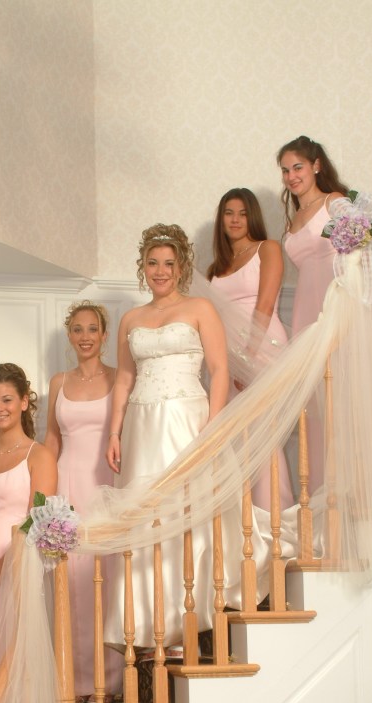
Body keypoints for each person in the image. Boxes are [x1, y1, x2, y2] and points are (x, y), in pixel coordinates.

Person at [104, 223, 243, 650]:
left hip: (187, 419)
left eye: (168, 263)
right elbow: (124, 379)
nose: (160, 271)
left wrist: (213, 424)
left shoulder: (200, 308)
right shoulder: (131, 319)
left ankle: (197, 615)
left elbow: (219, 369)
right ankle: (148, 623)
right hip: (141, 426)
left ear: (181, 267)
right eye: (153, 263)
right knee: (146, 514)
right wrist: (114, 432)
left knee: (189, 509)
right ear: (142, 267)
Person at [44, 301, 122, 695]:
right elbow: (51, 440)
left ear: (105, 336)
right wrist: (43, 500)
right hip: (67, 485)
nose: (85, 336)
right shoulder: (58, 382)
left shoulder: (120, 377)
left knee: (106, 578)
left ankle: (112, 680)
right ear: (69, 336)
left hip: (107, 482)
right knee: (71, 581)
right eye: (77, 329)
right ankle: (72, 681)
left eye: (92, 329)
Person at [207, 187, 293, 510]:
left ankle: (275, 516)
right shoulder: (216, 268)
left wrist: (248, 357)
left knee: (263, 433)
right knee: (236, 438)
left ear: (252, 217)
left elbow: (265, 304)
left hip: (263, 347)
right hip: (227, 357)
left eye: (243, 213)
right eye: (229, 213)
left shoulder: (267, 249)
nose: (235, 220)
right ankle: (244, 519)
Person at [278, 136, 350, 493]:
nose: (291, 176)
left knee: (339, 396)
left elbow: (359, 253)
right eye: (285, 170)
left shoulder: (334, 202)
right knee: (314, 406)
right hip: (304, 313)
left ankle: (345, 489)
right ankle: (321, 493)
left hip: (334, 304)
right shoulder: (292, 219)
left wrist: (345, 309)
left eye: (298, 167)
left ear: (316, 165)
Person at [0, 363, 57, 601]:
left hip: (14, 569)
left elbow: (34, 524)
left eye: (7, 400)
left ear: (24, 402)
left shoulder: (40, 457)